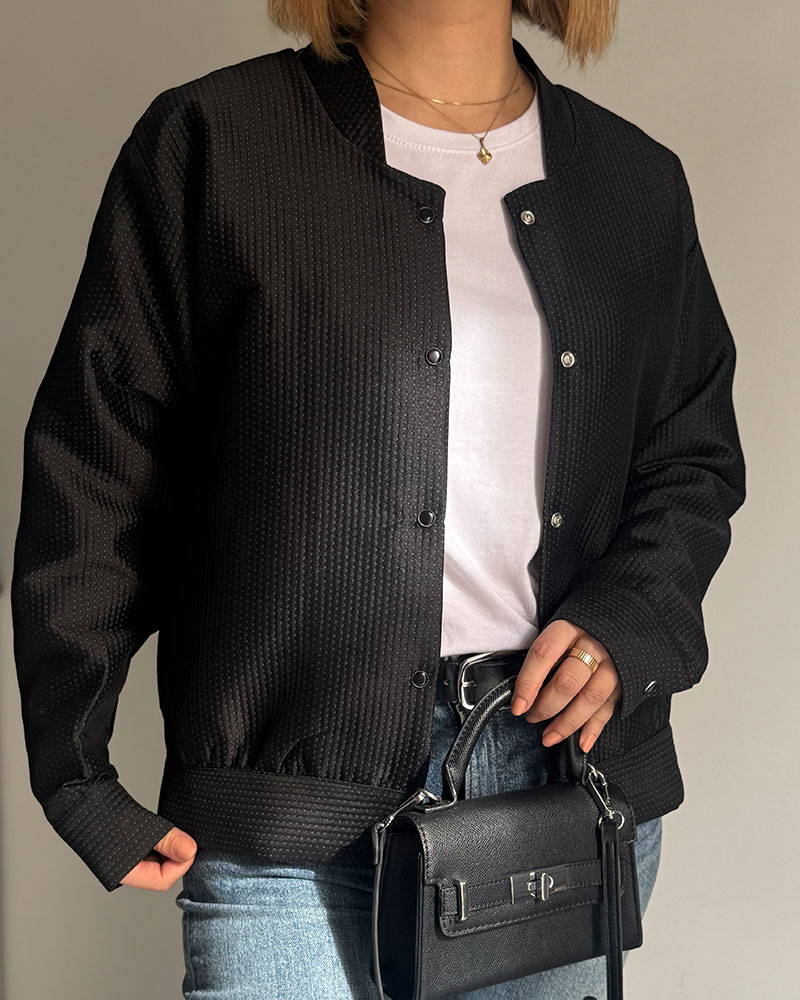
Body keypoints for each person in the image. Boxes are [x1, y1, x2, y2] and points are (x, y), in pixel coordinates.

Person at [10, 1, 746, 997]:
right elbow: (97, 469)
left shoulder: (634, 179)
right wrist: (77, 773)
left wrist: (627, 623)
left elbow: (690, 456)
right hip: (286, 807)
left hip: (558, 796)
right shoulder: (216, 142)